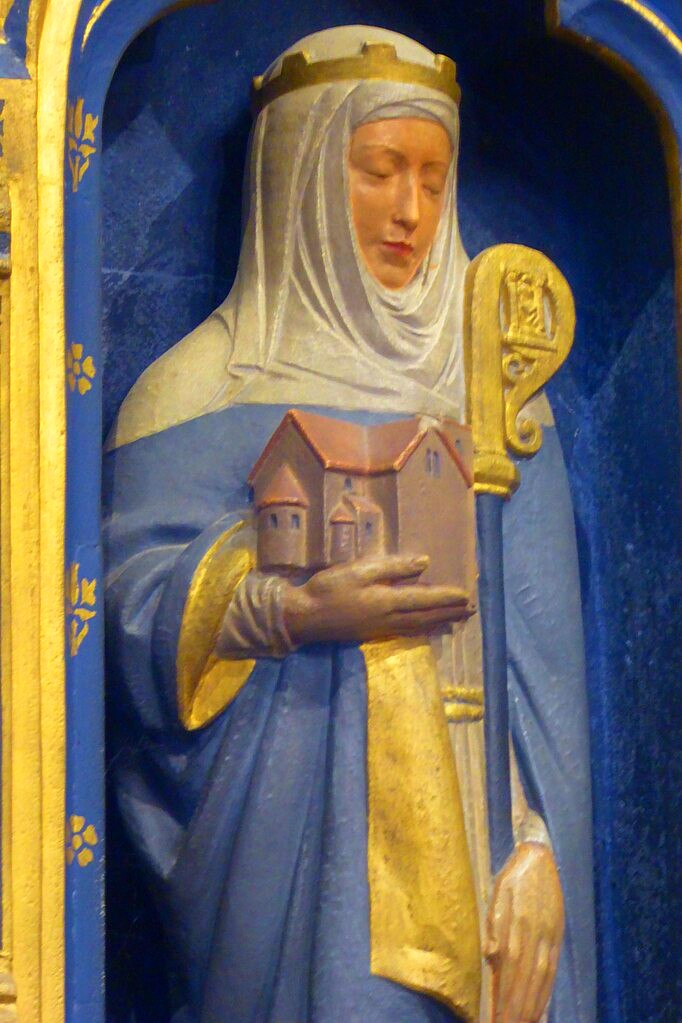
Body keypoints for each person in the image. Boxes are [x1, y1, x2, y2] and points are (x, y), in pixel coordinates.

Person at [104, 26, 596, 1023]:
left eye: (433, 178)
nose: (411, 211)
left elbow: (544, 694)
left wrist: (540, 850)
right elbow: (120, 629)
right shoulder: (189, 396)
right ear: (300, 178)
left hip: (477, 881)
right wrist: (285, 612)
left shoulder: (503, 400)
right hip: (277, 890)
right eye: (379, 171)